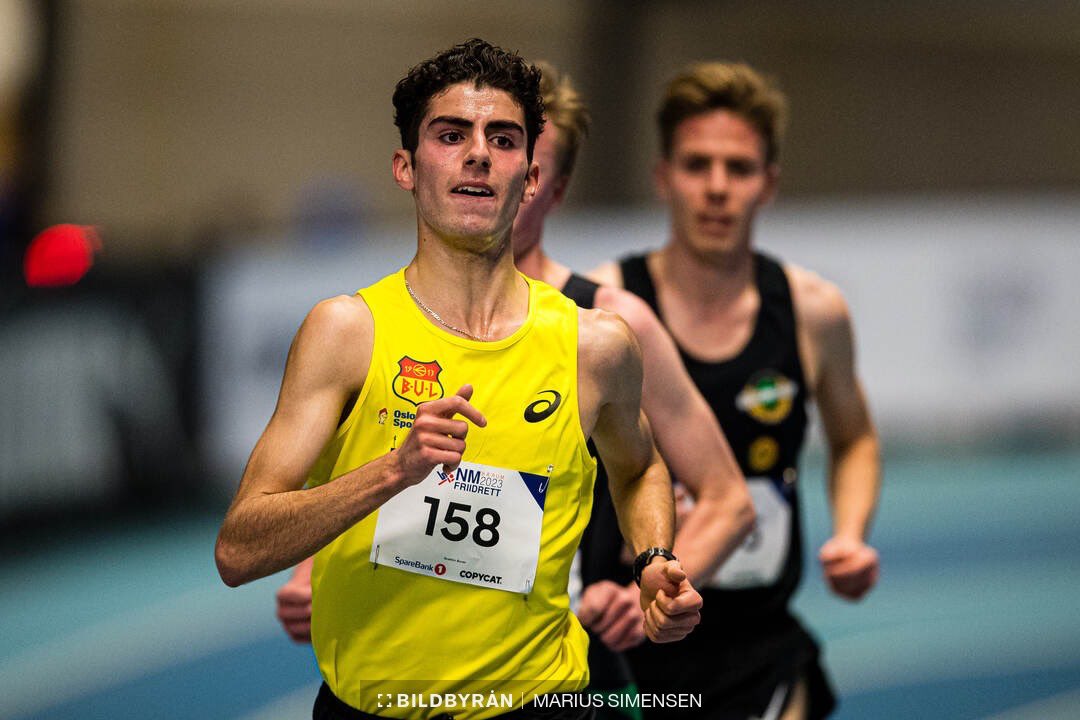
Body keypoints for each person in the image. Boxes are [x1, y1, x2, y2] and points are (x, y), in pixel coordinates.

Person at [216, 39, 703, 720]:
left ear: (531, 178)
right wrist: (394, 471)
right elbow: (239, 548)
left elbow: (641, 466)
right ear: (406, 167)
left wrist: (652, 557)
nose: (478, 153)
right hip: (371, 709)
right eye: (451, 135)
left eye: (502, 139)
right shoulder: (346, 333)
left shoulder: (595, 345)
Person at [590, 62, 882, 719]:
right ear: (663, 176)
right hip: (630, 650)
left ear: (769, 184)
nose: (717, 189)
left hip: (761, 646)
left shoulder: (812, 311)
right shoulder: (600, 311)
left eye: (740, 168)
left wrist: (852, 534)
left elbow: (854, 435)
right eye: (697, 165)